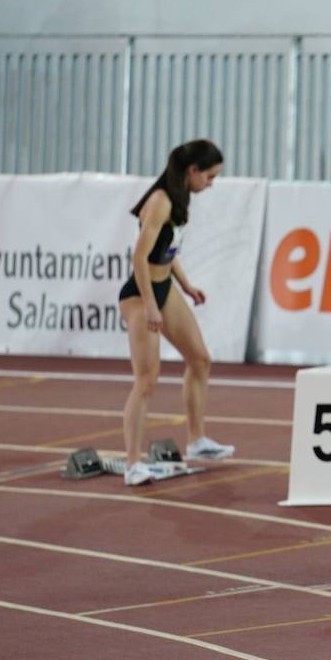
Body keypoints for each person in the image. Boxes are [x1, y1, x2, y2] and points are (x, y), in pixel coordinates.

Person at [118, 139, 234, 487]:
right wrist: (151, 305)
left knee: (199, 359)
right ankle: (133, 463)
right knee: (147, 380)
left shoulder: (180, 198)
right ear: (192, 171)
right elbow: (139, 258)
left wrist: (186, 285)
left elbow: (166, 250)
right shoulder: (160, 201)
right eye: (209, 177)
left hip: (165, 286)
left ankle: (197, 440)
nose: (210, 184)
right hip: (141, 295)